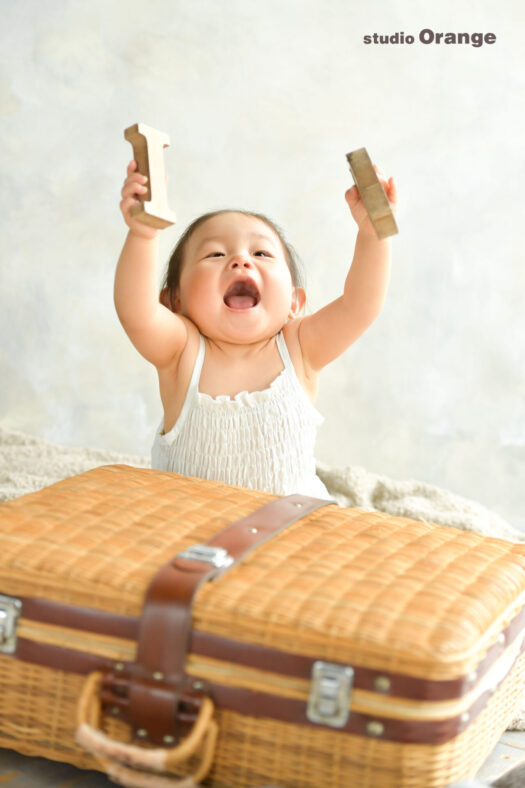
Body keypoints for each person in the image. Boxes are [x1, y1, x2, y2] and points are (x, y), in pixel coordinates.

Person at [115, 160, 397, 497]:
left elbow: (359, 305)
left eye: (261, 252)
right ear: (173, 301)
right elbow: (137, 312)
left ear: (294, 302)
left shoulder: (299, 349)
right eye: (215, 254)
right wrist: (143, 234)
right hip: (191, 531)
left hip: (290, 532)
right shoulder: (182, 352)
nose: (241, 260)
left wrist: (372, 233)